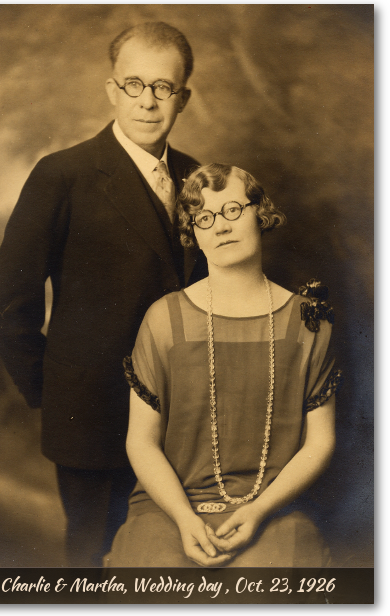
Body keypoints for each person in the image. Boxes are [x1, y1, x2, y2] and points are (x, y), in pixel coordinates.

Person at [0, 22, 207, 567]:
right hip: (92, 416)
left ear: (184, 97)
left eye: (163, 87)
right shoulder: (63, 174)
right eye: (134, 84)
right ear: (111, 90)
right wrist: (58, 392)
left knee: (169, 556)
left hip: (185, 417)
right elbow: (6, 307)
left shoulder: (200, 178)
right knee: (95, 560)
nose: (148, 102)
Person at [104, 163, 344, 567]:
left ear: (260, 213)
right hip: (169, 507)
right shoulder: (164, 318)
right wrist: (183, 518)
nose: (220, 226)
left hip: (272, 507)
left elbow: (320, 442)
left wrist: (257, 511)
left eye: (232, 209)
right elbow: (140, 441)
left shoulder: (309, 321)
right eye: (205, 217)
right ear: (194, 233)